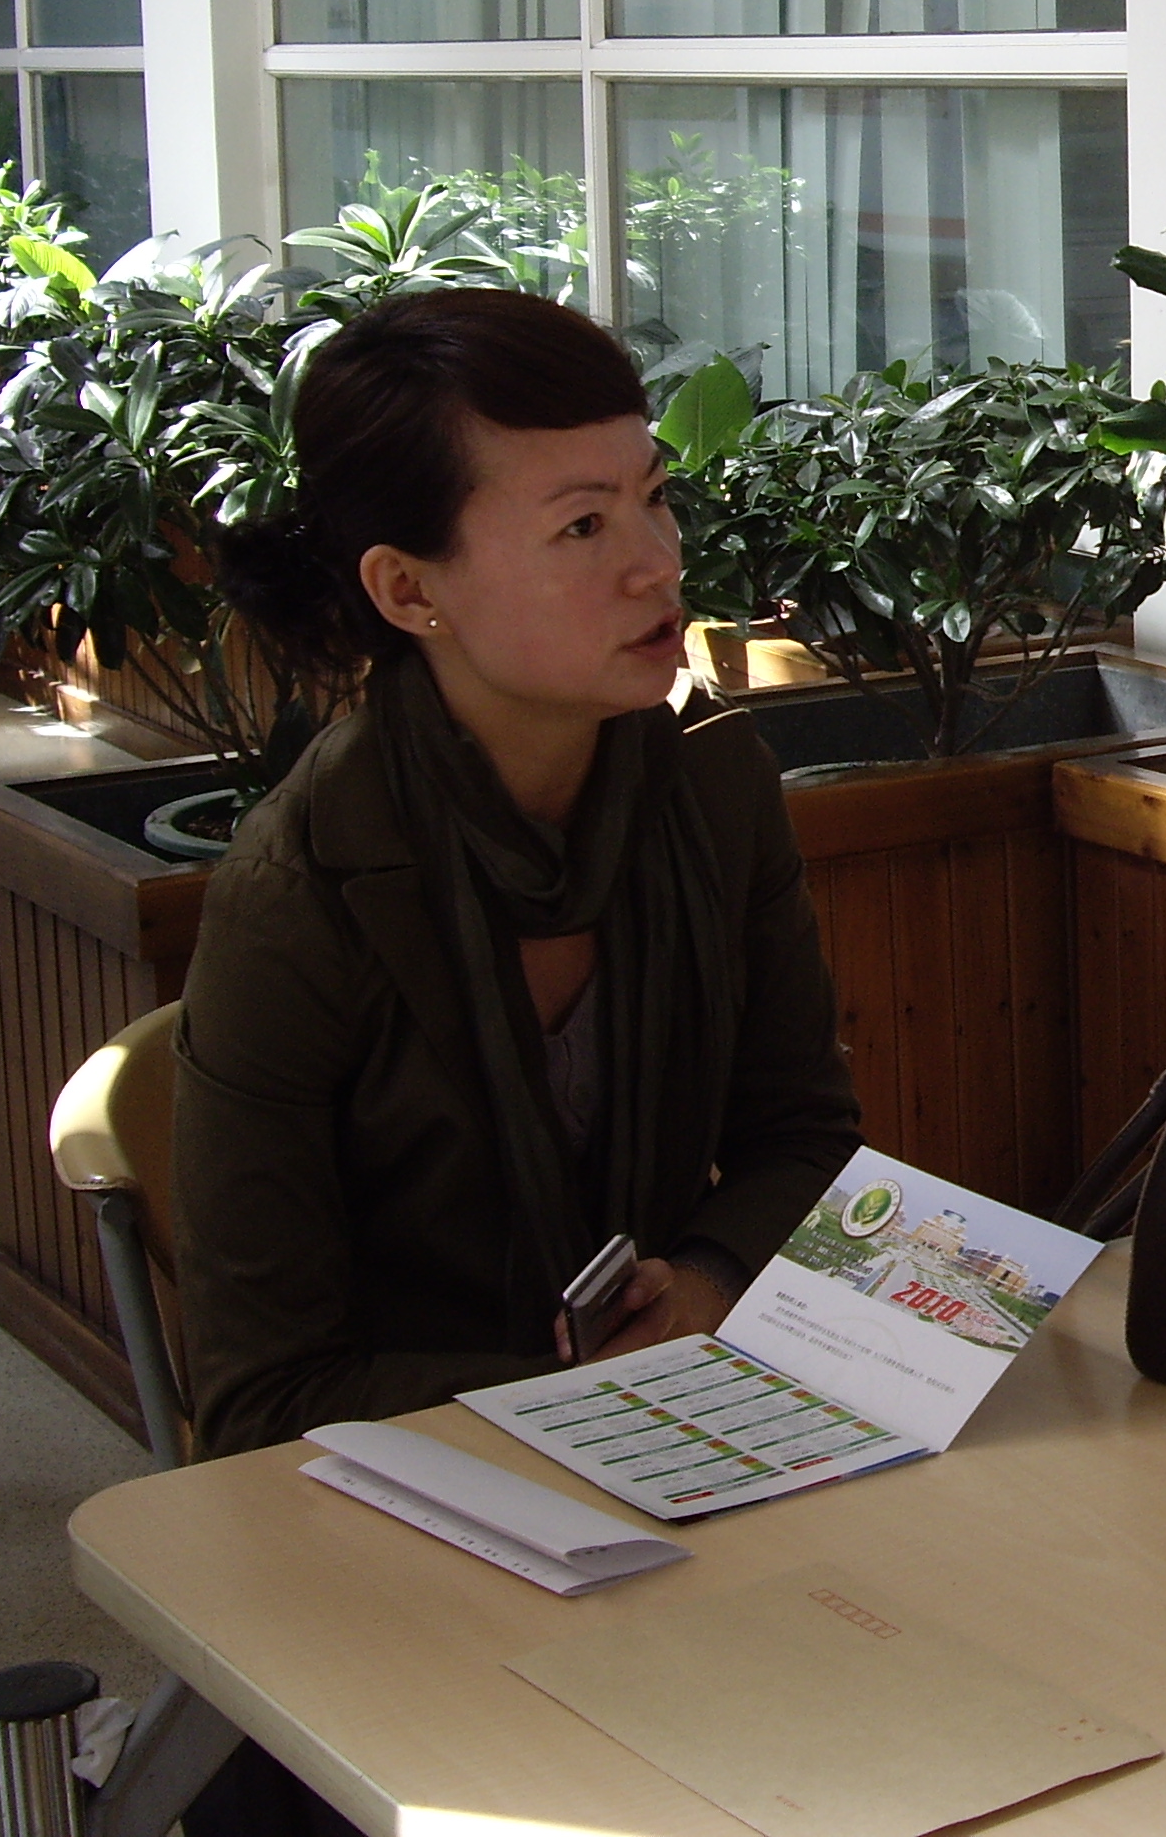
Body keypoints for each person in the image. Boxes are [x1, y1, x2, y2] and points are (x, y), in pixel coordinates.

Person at [176, 287, 861, 1463]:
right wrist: (577, 1393)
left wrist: (705, 1278)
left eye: (655, 497)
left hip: (681, 1437)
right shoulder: (300, 896)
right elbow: (263, 1399)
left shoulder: (709, 787)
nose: (657, 565)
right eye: (582, 527)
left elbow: (802, 1133)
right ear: (410, 590)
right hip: (419, 1486)